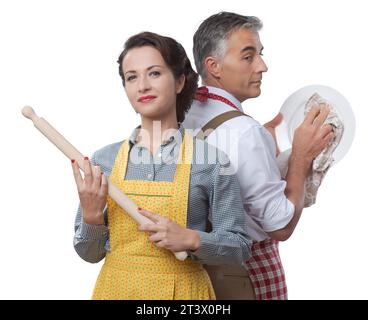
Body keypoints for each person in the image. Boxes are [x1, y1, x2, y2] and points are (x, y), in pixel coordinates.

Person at [72, 31, 252, 300]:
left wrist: (191, 239)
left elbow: (239, 247)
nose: (142, 85)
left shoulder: (211, 161)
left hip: (185, 293)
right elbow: (90, 253)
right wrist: (91, 215)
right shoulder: (103, 161)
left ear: (179, 81)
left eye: (154, 73)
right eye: (131, 77)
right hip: (115, 291)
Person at [183, 12, 334, 299]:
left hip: (193, 271)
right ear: (213, 66)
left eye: (260, 54)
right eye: (248, 56)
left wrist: (262, 146)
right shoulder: (244, 132)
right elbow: (281, 226)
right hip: (245, 272)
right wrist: (300, 156)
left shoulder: (185, 110)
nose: (262, 66)